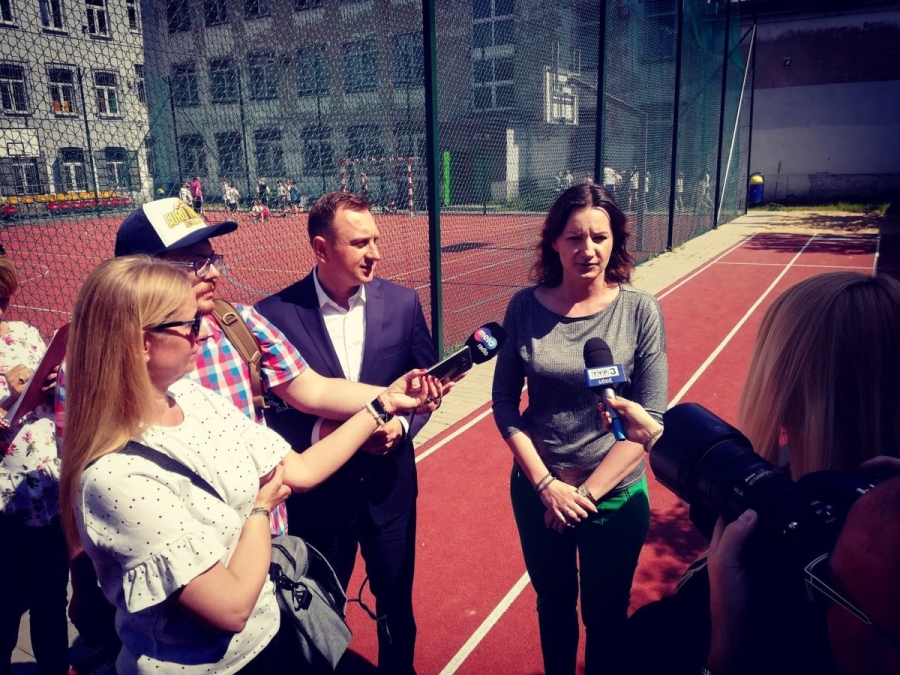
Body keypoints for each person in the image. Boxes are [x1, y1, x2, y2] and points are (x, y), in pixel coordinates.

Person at [58, 256, 443, 675]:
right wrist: (260, 509)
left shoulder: (193, 398)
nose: (204, 331)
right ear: (141, 344)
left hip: (271, 638)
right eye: (190, 324)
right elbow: (230, 608)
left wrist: (383, 404)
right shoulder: (116, 477)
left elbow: (300, 470)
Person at [601, 271, 900, 675]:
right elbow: (744, 484)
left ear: (785, 396)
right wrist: (657, 437)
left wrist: (726, 645)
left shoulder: (738, 598)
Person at [256, 192, 436, 675]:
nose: (375, 252)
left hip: (389, 493)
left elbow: (424, 390)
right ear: (321, 249)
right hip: (320, 501)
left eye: (375, 239)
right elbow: (272, 412)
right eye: (360, 243)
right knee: (317, 613)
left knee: (396, 608)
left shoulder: (403, 303)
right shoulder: (273, 315)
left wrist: (401, 426)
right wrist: (328, 430)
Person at [491, 182, 668, 675]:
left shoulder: (640, 311)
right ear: (554, 242)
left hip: (614, 497)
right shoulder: (524, 307)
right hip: (539, 492)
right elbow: (504, 401)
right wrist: (546, 486)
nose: (587, 250)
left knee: (606, 616)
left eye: (599, 237)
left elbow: (651, 418)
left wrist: (583, 496)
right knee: (553, 608)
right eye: (573, 237)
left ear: (615, 241)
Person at [0, 256, 68, 675]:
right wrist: (9, 398)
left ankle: (55, 667)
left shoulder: (24, 333)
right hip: (6, 504)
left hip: (48, 489)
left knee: (51, 597)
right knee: (6, 603)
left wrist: (53, 382)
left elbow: (53, 393)